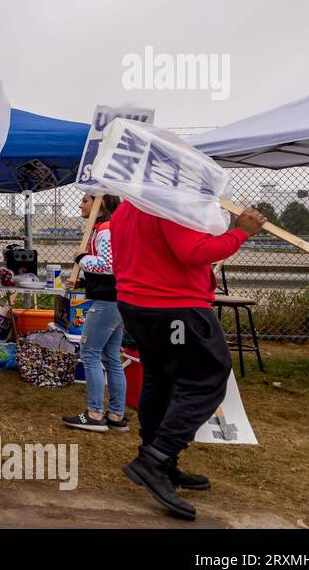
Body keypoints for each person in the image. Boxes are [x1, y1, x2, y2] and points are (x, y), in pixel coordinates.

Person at [113, 200, 266, 520]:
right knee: (205, 379)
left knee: (161, 378)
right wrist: (240, 233)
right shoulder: (170, 203)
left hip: (137, 303)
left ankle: (159, 459)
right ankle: (156, 458)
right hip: (174, 306)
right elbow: (192, 252)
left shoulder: (129, 205)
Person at [63, 194, 128, 433]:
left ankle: (94, 413)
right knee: (111, 357)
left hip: (107, 303)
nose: (81, 204)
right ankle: (116, 414)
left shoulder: (106, 230)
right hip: (114, 299)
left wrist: (82, 258)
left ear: (100, 206)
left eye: (86, 200)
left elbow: (108, 265)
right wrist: (83, 284)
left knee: (90, 354)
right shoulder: (107, 228)